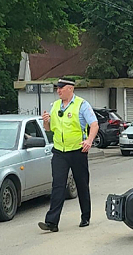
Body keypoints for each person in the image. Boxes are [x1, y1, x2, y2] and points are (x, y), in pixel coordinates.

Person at [38, 78, 99, 232]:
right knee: (58, 185)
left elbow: (94, 124)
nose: (58, 91)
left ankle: (85, 216)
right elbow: (49, 129)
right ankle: (52, 222)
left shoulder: (82, 105)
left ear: (70, 89)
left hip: (78, 150)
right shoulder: (55, 105)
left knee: (81, 184)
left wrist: (89, 141)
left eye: (61, 88)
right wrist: (45, 121)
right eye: (57, 88)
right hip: (59, 151)